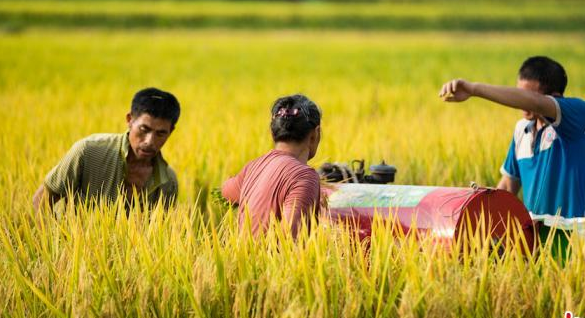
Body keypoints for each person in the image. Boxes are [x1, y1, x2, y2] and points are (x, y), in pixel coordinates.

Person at [439, 56, 585, 255]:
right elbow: (508, 186)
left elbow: (537, 103)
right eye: (518, 94)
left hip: (572, 238)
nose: (521, 103)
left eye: (526, 97)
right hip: (531, 238)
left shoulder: (575, 114)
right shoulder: (522, 131)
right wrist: (479, 225)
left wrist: (473, 89)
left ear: (555, 97)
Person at [32, 87, 180, 211]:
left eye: (160, 133)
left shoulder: (168, 181)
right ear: (130, 120)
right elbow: (41, 200)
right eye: (144, 129)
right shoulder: (88, 152)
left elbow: (156, 232)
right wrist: (53, 241)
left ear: (171, 131)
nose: (150, 141)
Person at [222, 94, 322, 238]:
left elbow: (226, 190)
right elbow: (289, 240)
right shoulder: (305, 177)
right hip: (269, 261)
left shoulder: (253, 167)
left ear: (272, 132)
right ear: (315, 135)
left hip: (242, 259)